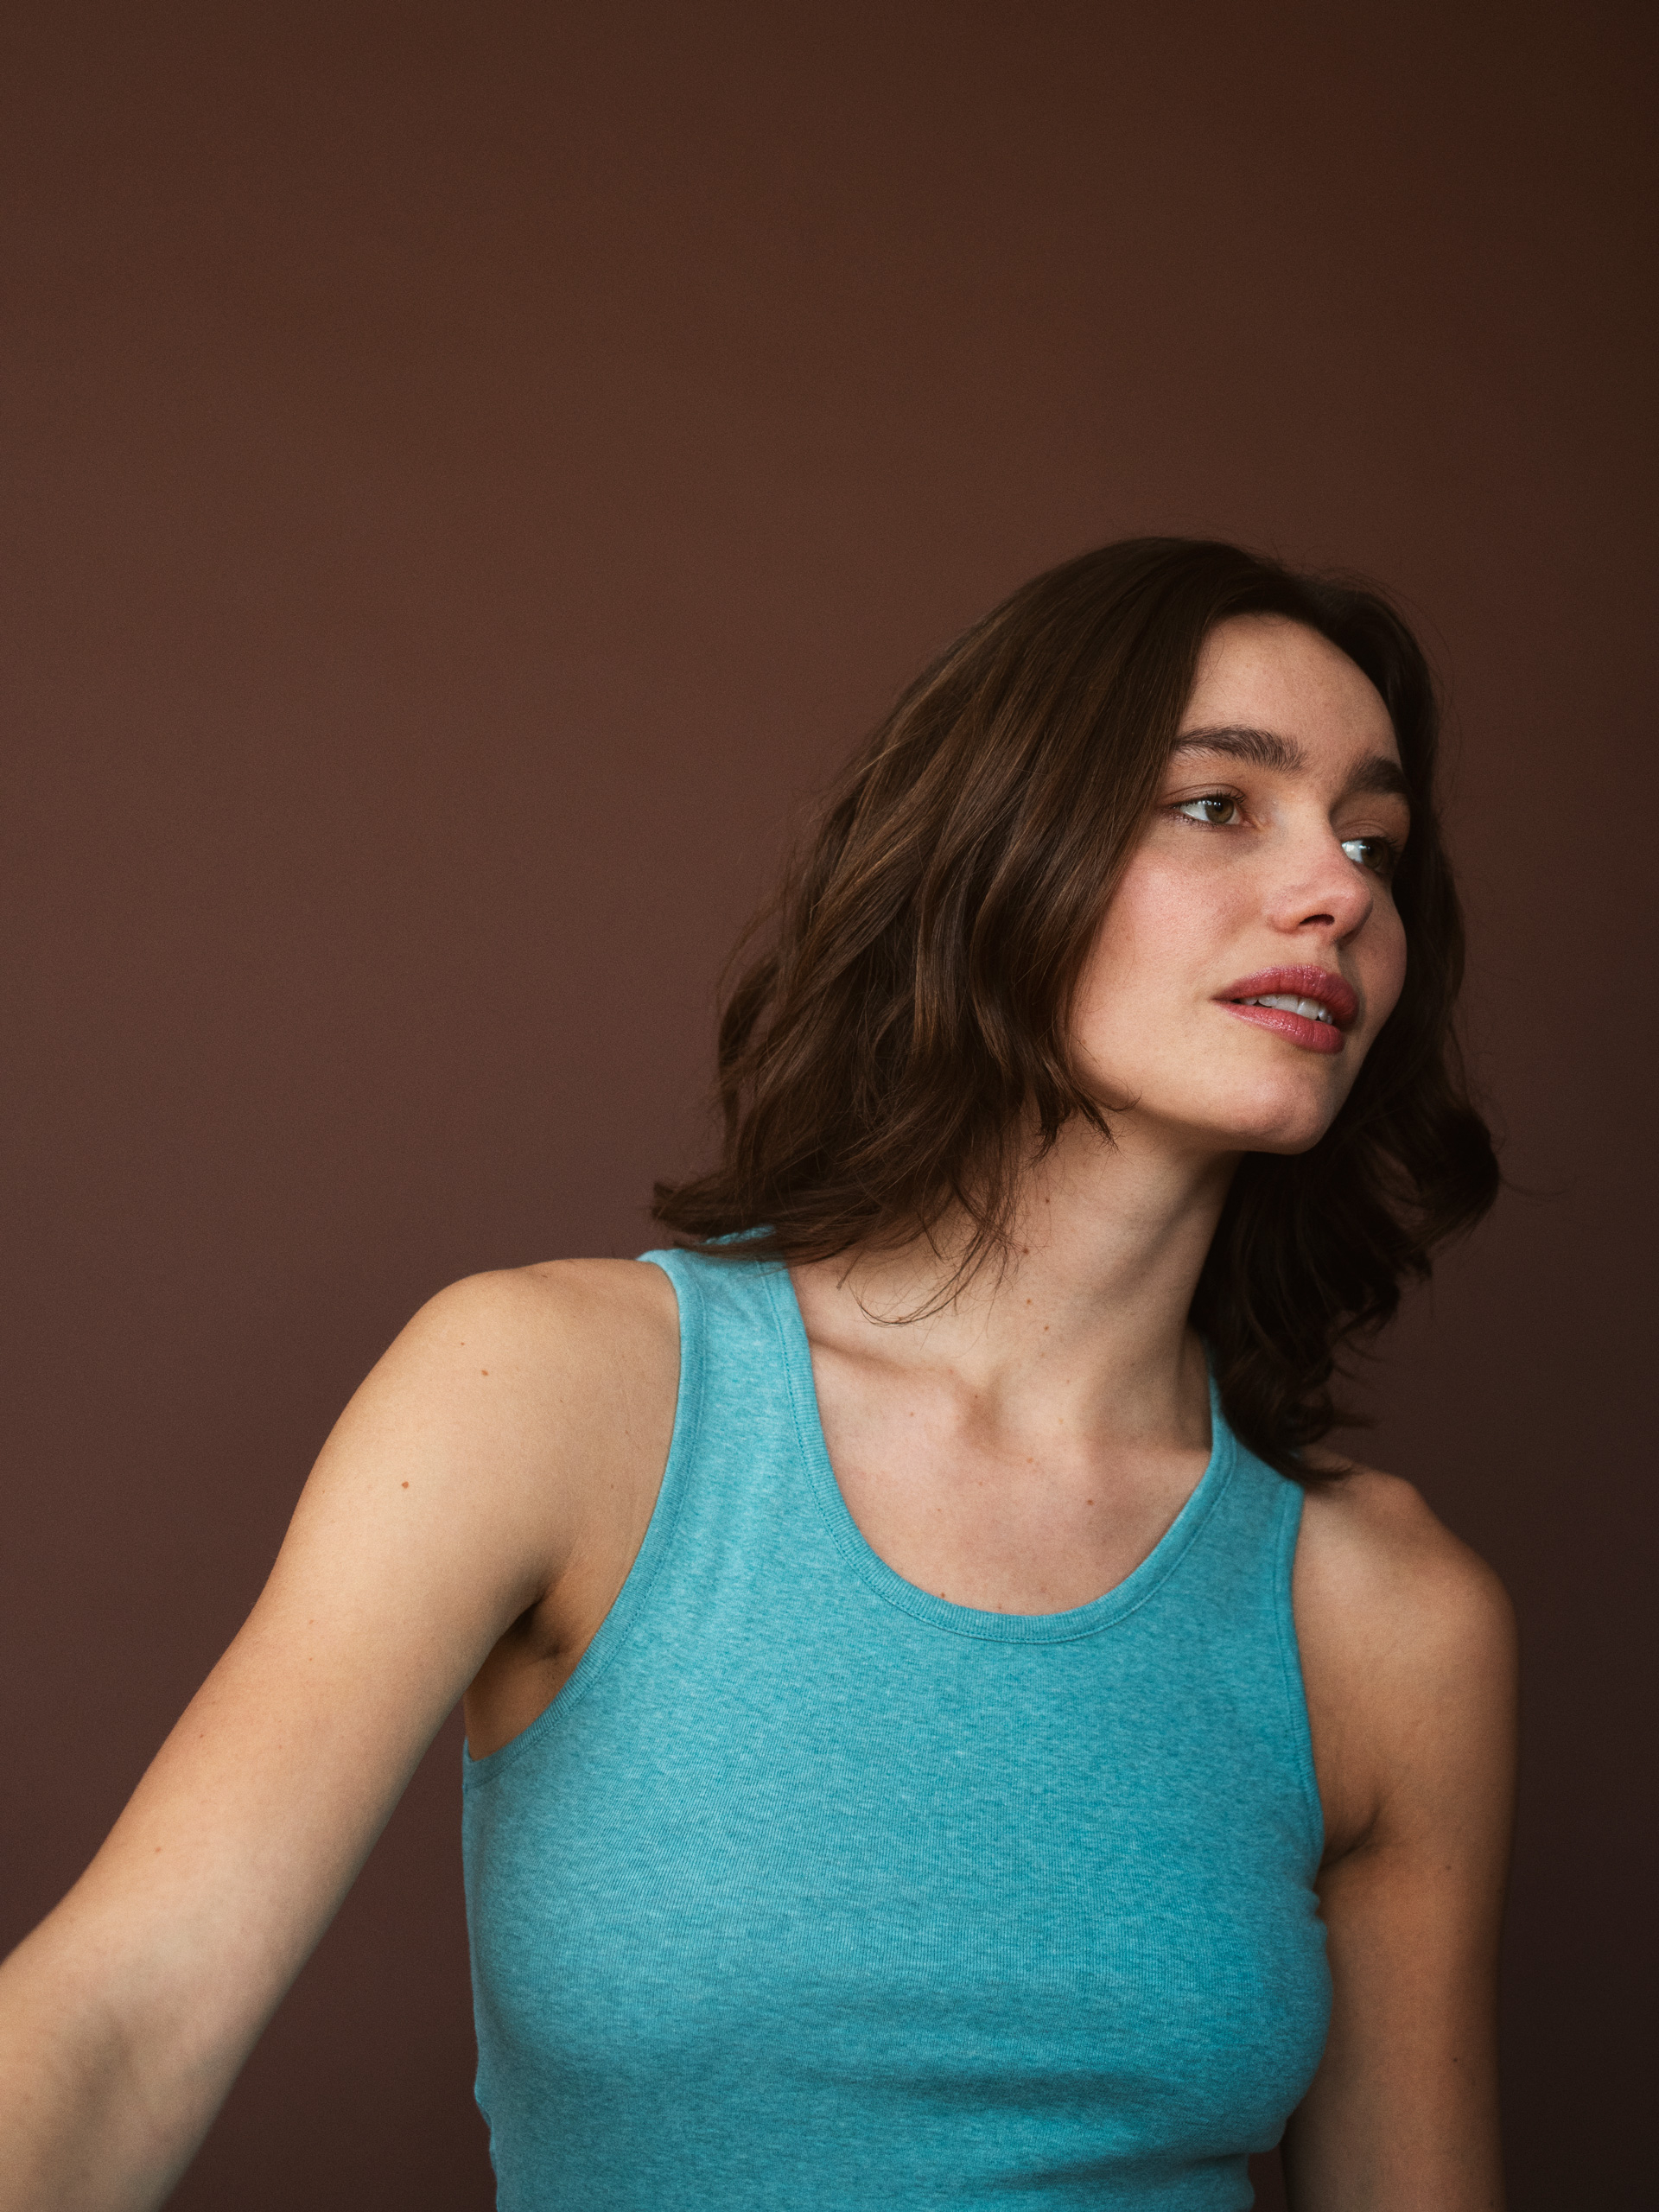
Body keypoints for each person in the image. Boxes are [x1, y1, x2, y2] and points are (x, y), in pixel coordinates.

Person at [0, 537, 1517, 2210]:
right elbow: (122, 2019)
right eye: (1219, 803)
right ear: (994, 849)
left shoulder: (1390, 1614)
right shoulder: (557, 1393)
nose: (1337, 891)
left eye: (1372, 841)